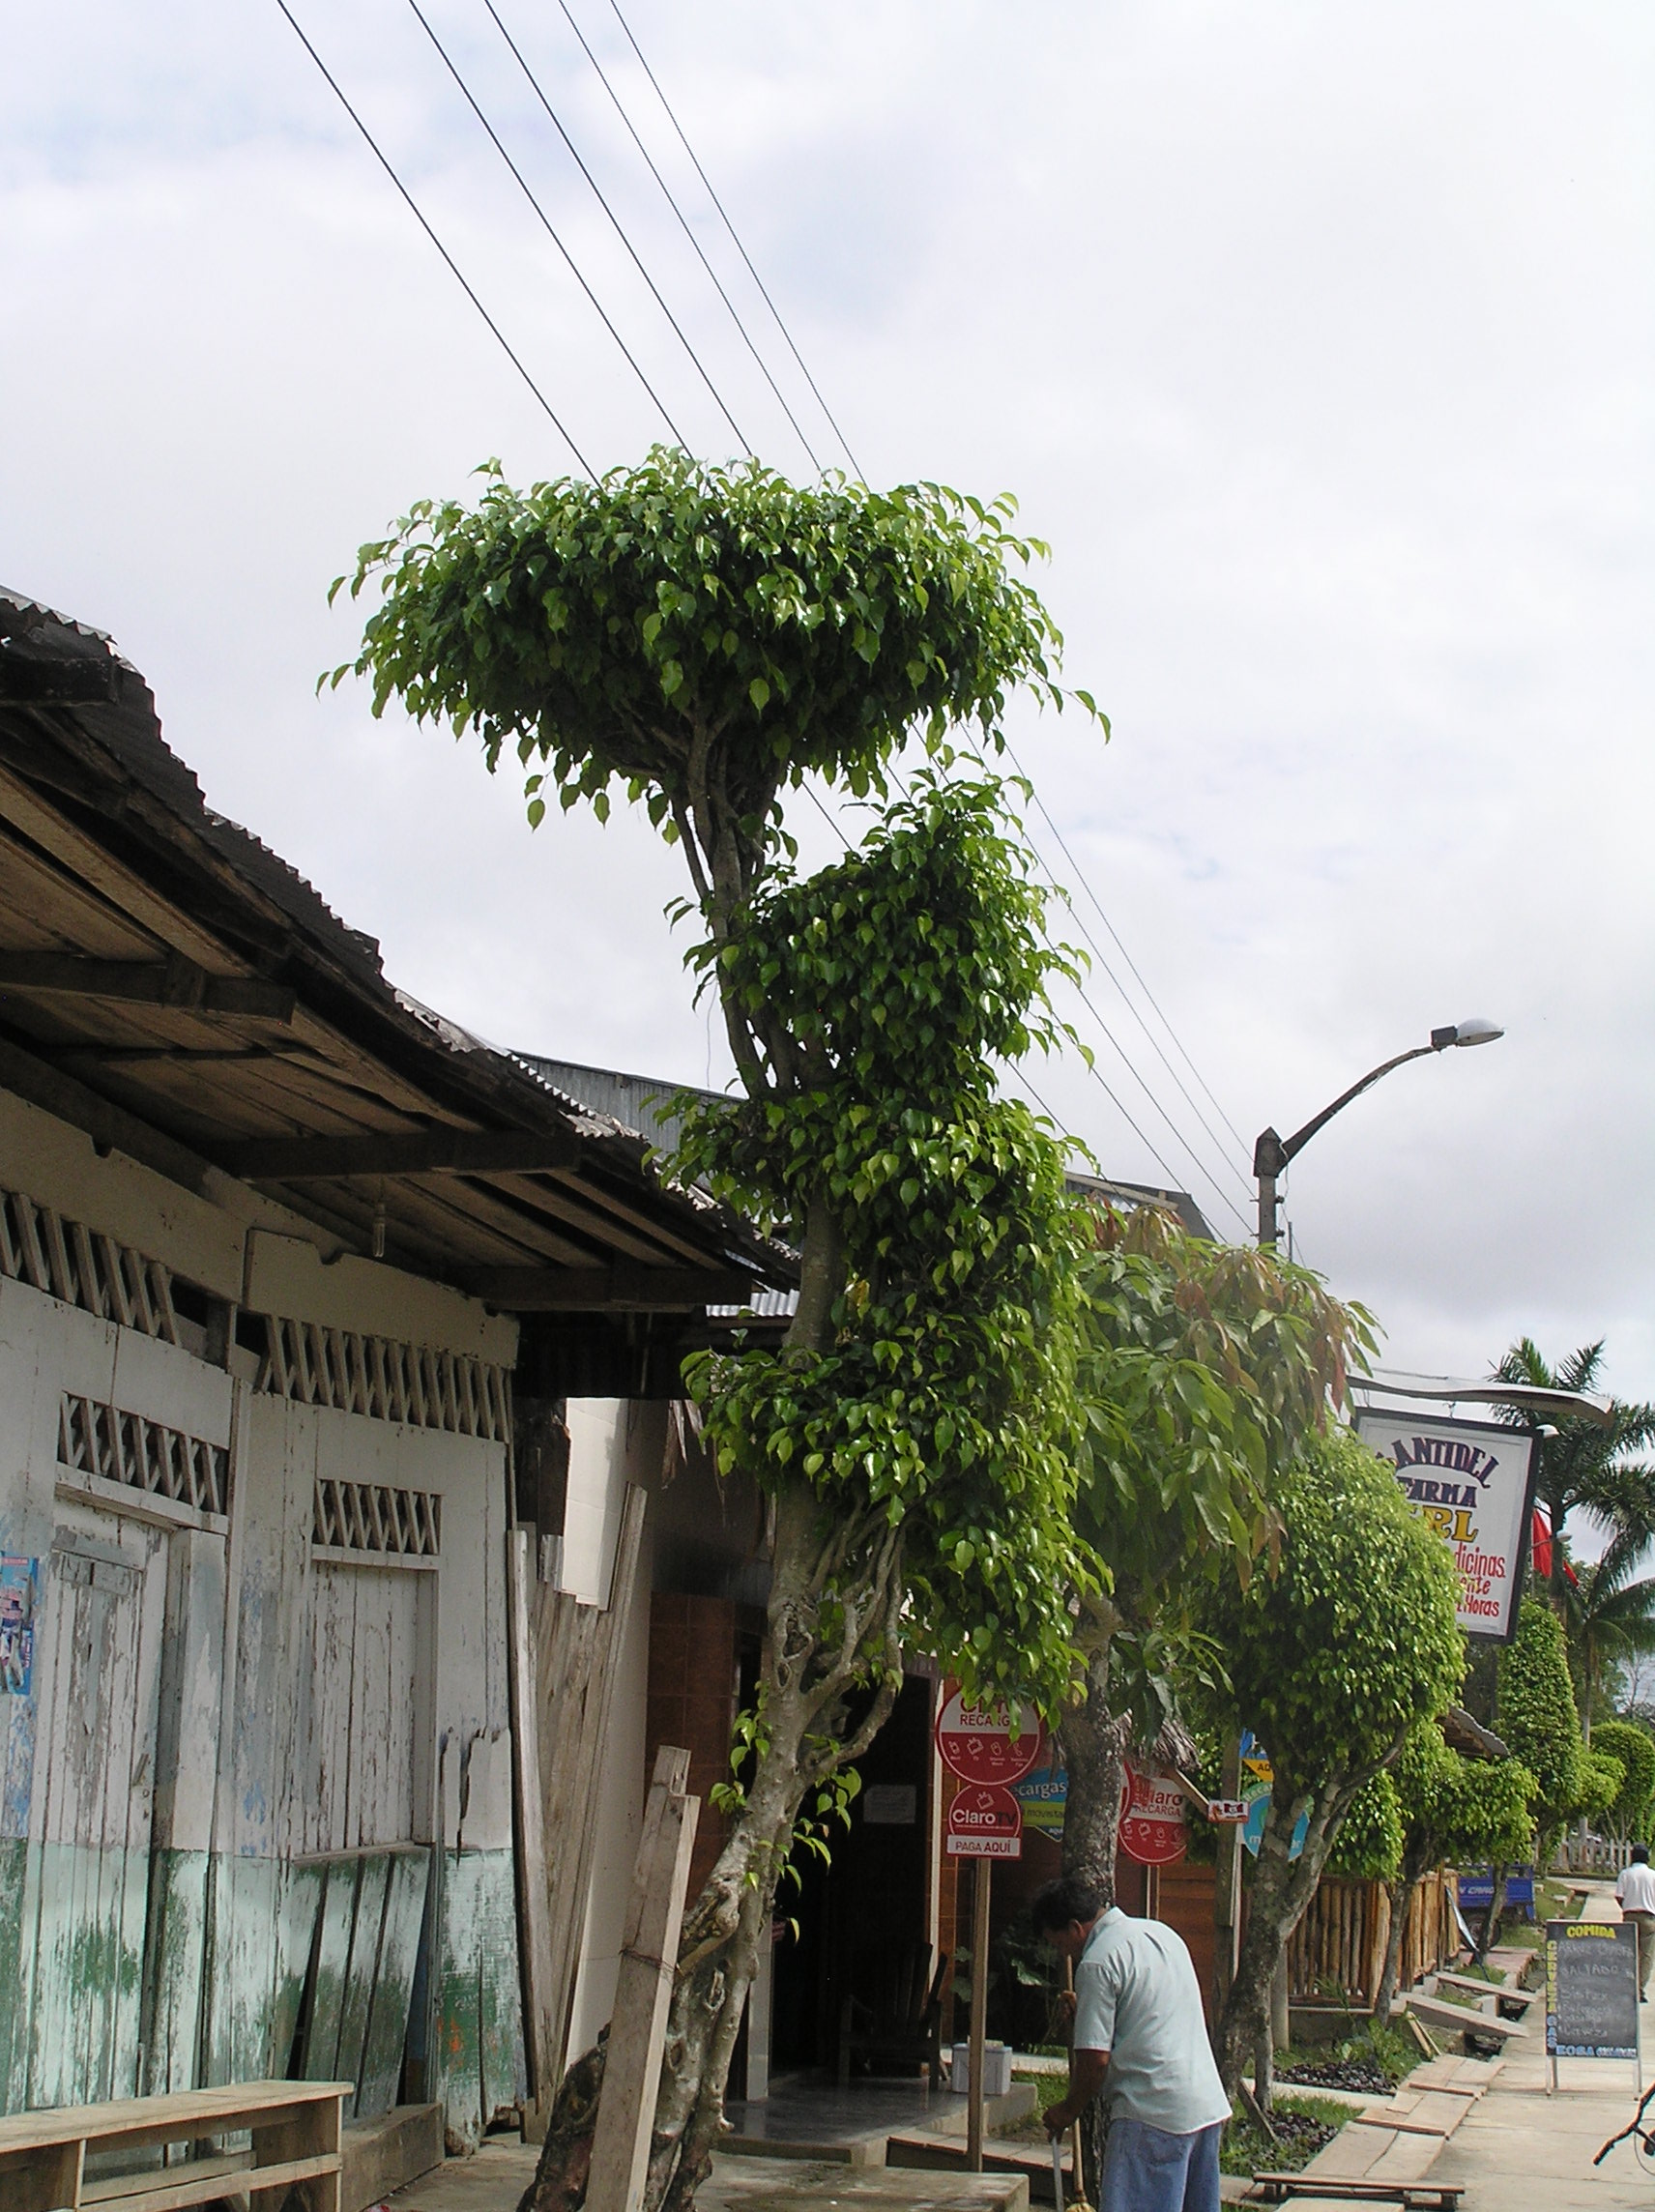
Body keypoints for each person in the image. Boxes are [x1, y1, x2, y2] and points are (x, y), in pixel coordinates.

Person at [1033, 1874, 1231, 2212]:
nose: (1062, 1953)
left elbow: (1095, 2062)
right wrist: (1084, 2018)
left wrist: (1068, 2110)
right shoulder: (1161, 1934)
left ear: (1075, 1928)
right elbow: (1150, 2016)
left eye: (1058, 1943)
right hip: (1205, 2106)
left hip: (1152, 2112)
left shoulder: (1096, 1962)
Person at [1614, 1844, 1655, 2001]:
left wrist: (1626, 1907)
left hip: (1629, 1916)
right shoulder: (1653, 1875)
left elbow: (1619, 1896)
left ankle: (1626, 1985)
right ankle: (1639, 1989)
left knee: (1628, 1953)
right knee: (1646, 1956)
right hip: (1649, 1918)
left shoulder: (1625, 1874)